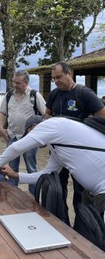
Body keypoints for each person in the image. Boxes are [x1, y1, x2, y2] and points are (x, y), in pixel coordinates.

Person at [0, 115, 105, 218]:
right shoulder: (57, 146)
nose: (33, 141)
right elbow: (46, 175)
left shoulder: (51, 125)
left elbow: (16, 148)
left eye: (29, 134)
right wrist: (15, 175)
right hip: (94, 192)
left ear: (34, 127)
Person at [45, 61, 105, 215]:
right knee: (57, 188)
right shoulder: (54, 94)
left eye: (59, 77)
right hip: (58, 152)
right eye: (54, 79)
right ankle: (61, 220)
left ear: (69, 73)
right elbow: (47, 114)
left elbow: (102, 119)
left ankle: (82, 226)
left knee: (80, 193)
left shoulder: (84, 93)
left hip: (81, 154)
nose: (56, 81)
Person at [0, 70, 46, 194]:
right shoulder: (9, 95)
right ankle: (13, 194)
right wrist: (0, 127)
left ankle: (33, 197)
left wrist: (40, 133)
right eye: (13, 82)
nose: (14, 85)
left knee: (31, 168)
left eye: (18, 83)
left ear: (26, 82)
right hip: (12, 136)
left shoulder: (35, 95)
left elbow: (45, 115)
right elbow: (3, 112)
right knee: (12, 167)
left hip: (29, 138)